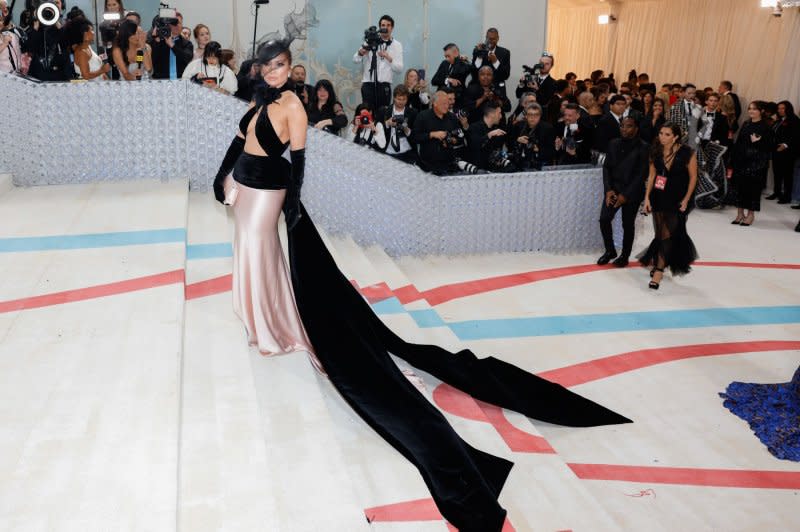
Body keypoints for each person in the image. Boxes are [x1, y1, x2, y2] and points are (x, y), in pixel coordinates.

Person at [212, 41, 631, 531]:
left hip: (270, 191)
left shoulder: (293, 106)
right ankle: (257, 315)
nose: (278, 72)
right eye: (271, 65)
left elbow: (300, 161)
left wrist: (296, 203)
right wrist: (224, 176)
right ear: (260, 69)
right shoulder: (259, 103)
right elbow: (238, 143)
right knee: (247, 253)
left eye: (284, 65)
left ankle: (274, 327)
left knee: (263, 252)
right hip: (242, 185)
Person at [639, 123, 699, 289]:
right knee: (660, 233)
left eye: (667, 134)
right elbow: (652, 176)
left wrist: (686, 199)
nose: (662, 137)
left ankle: (659, 270)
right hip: (658, 196)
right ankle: (662, 262)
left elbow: (693, 177)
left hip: (678, 197)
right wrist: (647, 198)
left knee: (667, 234)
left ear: (676, 137)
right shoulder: (655, 150)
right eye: (661, 133)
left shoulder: (687, 152)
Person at [597, 117, 649, 267]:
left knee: (628, 224)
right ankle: (610, 251)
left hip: (632, 192)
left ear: (636, 128)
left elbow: (641, 175)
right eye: (622, 126)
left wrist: (625, 195)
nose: (624, 129)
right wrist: (608, 190)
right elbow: (606, 168)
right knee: (604, 219)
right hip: (613, 190)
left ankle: (625, 256)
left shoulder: (644, 147)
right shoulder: (613, 143)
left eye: (629, 126)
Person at [730, 102, 775, 226]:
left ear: (761, 111)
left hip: (756, 164)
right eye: (749, 109)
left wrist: (758, 142)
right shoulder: (746, 124)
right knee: (739, 188)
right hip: (741, 161)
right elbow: (739, 142)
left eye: (754, 109)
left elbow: (771, 147)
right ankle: (740, 214)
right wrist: (733, 160)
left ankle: (750, 215)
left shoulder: (766, 127)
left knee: (752, 189)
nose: (751, 111)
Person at [353, 14, 403, 111]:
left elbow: (399, 69)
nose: (385, 28)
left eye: (388, 25)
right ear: (380, 27)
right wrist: (361, 53)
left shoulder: (397, 45)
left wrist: (388, 57)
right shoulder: (370, 40)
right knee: (368, 113)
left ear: (392, 28)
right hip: (368, 85)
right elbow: (355, 59)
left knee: (382, 114)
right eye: (383, 25)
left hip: (384, 87)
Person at [412, 90, 462, 174]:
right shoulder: (422, 116)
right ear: (434, 103)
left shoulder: (452, 117)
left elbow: (460, 137)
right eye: (443, 104)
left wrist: (453, 141)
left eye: (447, 103)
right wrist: (431, 135)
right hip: (427, 166)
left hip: (449, 165)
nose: (447, 106)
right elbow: (414, 137)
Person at [375, 84, 417, 163]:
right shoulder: (384, 111)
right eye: (399, 99)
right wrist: (387, 123)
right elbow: (375, 131)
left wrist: (407, 130)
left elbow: (417, 136)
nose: (401, 102)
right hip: (388, 151)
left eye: (404, 99)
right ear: (394, 98)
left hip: (407, 152)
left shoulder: (413, 113)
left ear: (407, 99)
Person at [767, 101, 799, 204]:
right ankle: (777, 192)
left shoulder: (794, 120)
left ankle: (787, 196)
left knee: (787, 175)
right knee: (777, 173)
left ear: (788, 109)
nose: (780, 110)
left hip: (787, 152)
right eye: (779, 108)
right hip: (776, 150)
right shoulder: (779, 120)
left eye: (782, 108)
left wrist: (785, 145)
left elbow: (796, 136)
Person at [465, 100, 508, 172]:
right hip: (477, 172)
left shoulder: (497, 129)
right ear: (491, 114)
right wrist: (489, 135)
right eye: (499, 113)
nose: (501, 116)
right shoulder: (474, 127)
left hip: (493, 170)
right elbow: (474, 145)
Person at [511, 103, 556, 170]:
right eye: (530, 115)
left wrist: (537, 149)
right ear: (526, 116)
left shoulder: (548, 128)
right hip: (521, 163)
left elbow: (552, 151)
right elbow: (509, 144)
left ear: (540, 116)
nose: (533, 118)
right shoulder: (519, 126)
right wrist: (517, 140)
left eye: (536, 115)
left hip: (541, 164)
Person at [149, 11, 192, 79]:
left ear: (182, 25)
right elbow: (152, 61)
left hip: (181, 81)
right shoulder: (158, 42)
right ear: (168, 25)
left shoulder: (186, 43)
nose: (177, 25)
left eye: (179, 23)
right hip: (161, 82)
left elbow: (187, 59)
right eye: (174, 23)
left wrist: (172, 45)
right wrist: (156, 41)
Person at [65, 16, 110, 81]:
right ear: (85, 34)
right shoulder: (81, 52)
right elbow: (86, 75)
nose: (93, 33)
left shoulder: (88, 47)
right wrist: (102, 70)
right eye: (91, 30)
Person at [431, 43, 470, 108]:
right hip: (441, 99)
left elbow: (457, 72)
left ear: (456, 53)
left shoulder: (464, 64)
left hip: (456, 100)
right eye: (445, 56)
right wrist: (448, 80)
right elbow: (434, 81)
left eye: (448, 56)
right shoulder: (444, 63)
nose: (447, 59)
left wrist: (458, 59)